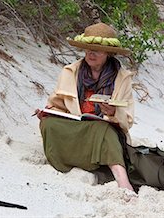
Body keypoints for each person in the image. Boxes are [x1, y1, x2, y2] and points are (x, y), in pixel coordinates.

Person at [35, 22, 134, 191]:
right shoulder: (70, 71)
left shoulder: (122, 77)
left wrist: (113, 113)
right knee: (49, 124)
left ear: (108, 53)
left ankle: (123, 181)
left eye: (96, 50)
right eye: (88, 49)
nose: (90, 54)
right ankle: (67, 161)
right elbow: (57, 105)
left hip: (103, 129)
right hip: (77, 126)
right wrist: (47, 112)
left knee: (102, 129)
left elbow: (128, 121)